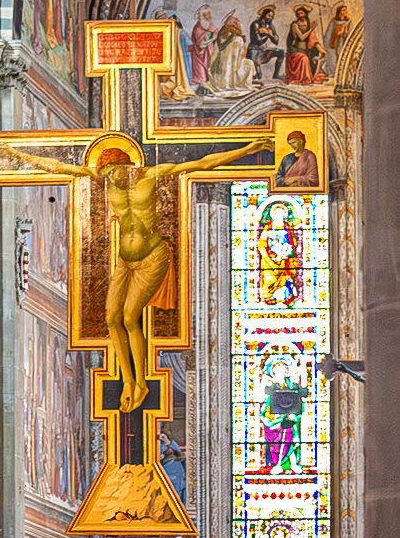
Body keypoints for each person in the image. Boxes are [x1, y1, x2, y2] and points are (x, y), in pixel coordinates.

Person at [16, 133, 272, 412]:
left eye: (113, 172)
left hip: (153, 258)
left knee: (129, 316)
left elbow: (203, 163)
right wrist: (20, 156)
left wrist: (247, 148)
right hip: (125, 260)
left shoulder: (152, 176)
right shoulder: (106, 178)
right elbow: (60, 167)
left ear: (127, 167)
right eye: (106, 174)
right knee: (112, 319)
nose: (110, 179)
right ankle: (130, 381)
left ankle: (142, 383)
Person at [285, 5, 326, 85]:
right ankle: (306, 79)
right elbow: (302, 37)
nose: (300, 15)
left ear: (305, 14)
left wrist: (319, 49)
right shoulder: (295, 25)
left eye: (302, 13)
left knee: (313, 57)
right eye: (298, 13)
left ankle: (310, 76)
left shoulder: (309, 24)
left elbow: (313, 39)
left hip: (305, 50)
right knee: (304, 59)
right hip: (295, 51)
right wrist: (311, 29)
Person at [247, 6, 284, 81]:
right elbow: (257, 41)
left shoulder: (269, 26)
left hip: (263, 50)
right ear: (264, 15)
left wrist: (270, 34)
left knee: (281, 53)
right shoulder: (255, 24)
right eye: (269, 15)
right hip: (254, 50)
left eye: (272, 16)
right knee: (258, 76)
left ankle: (276, 74)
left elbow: (276, 40)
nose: (270, 18)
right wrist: (264, 33)